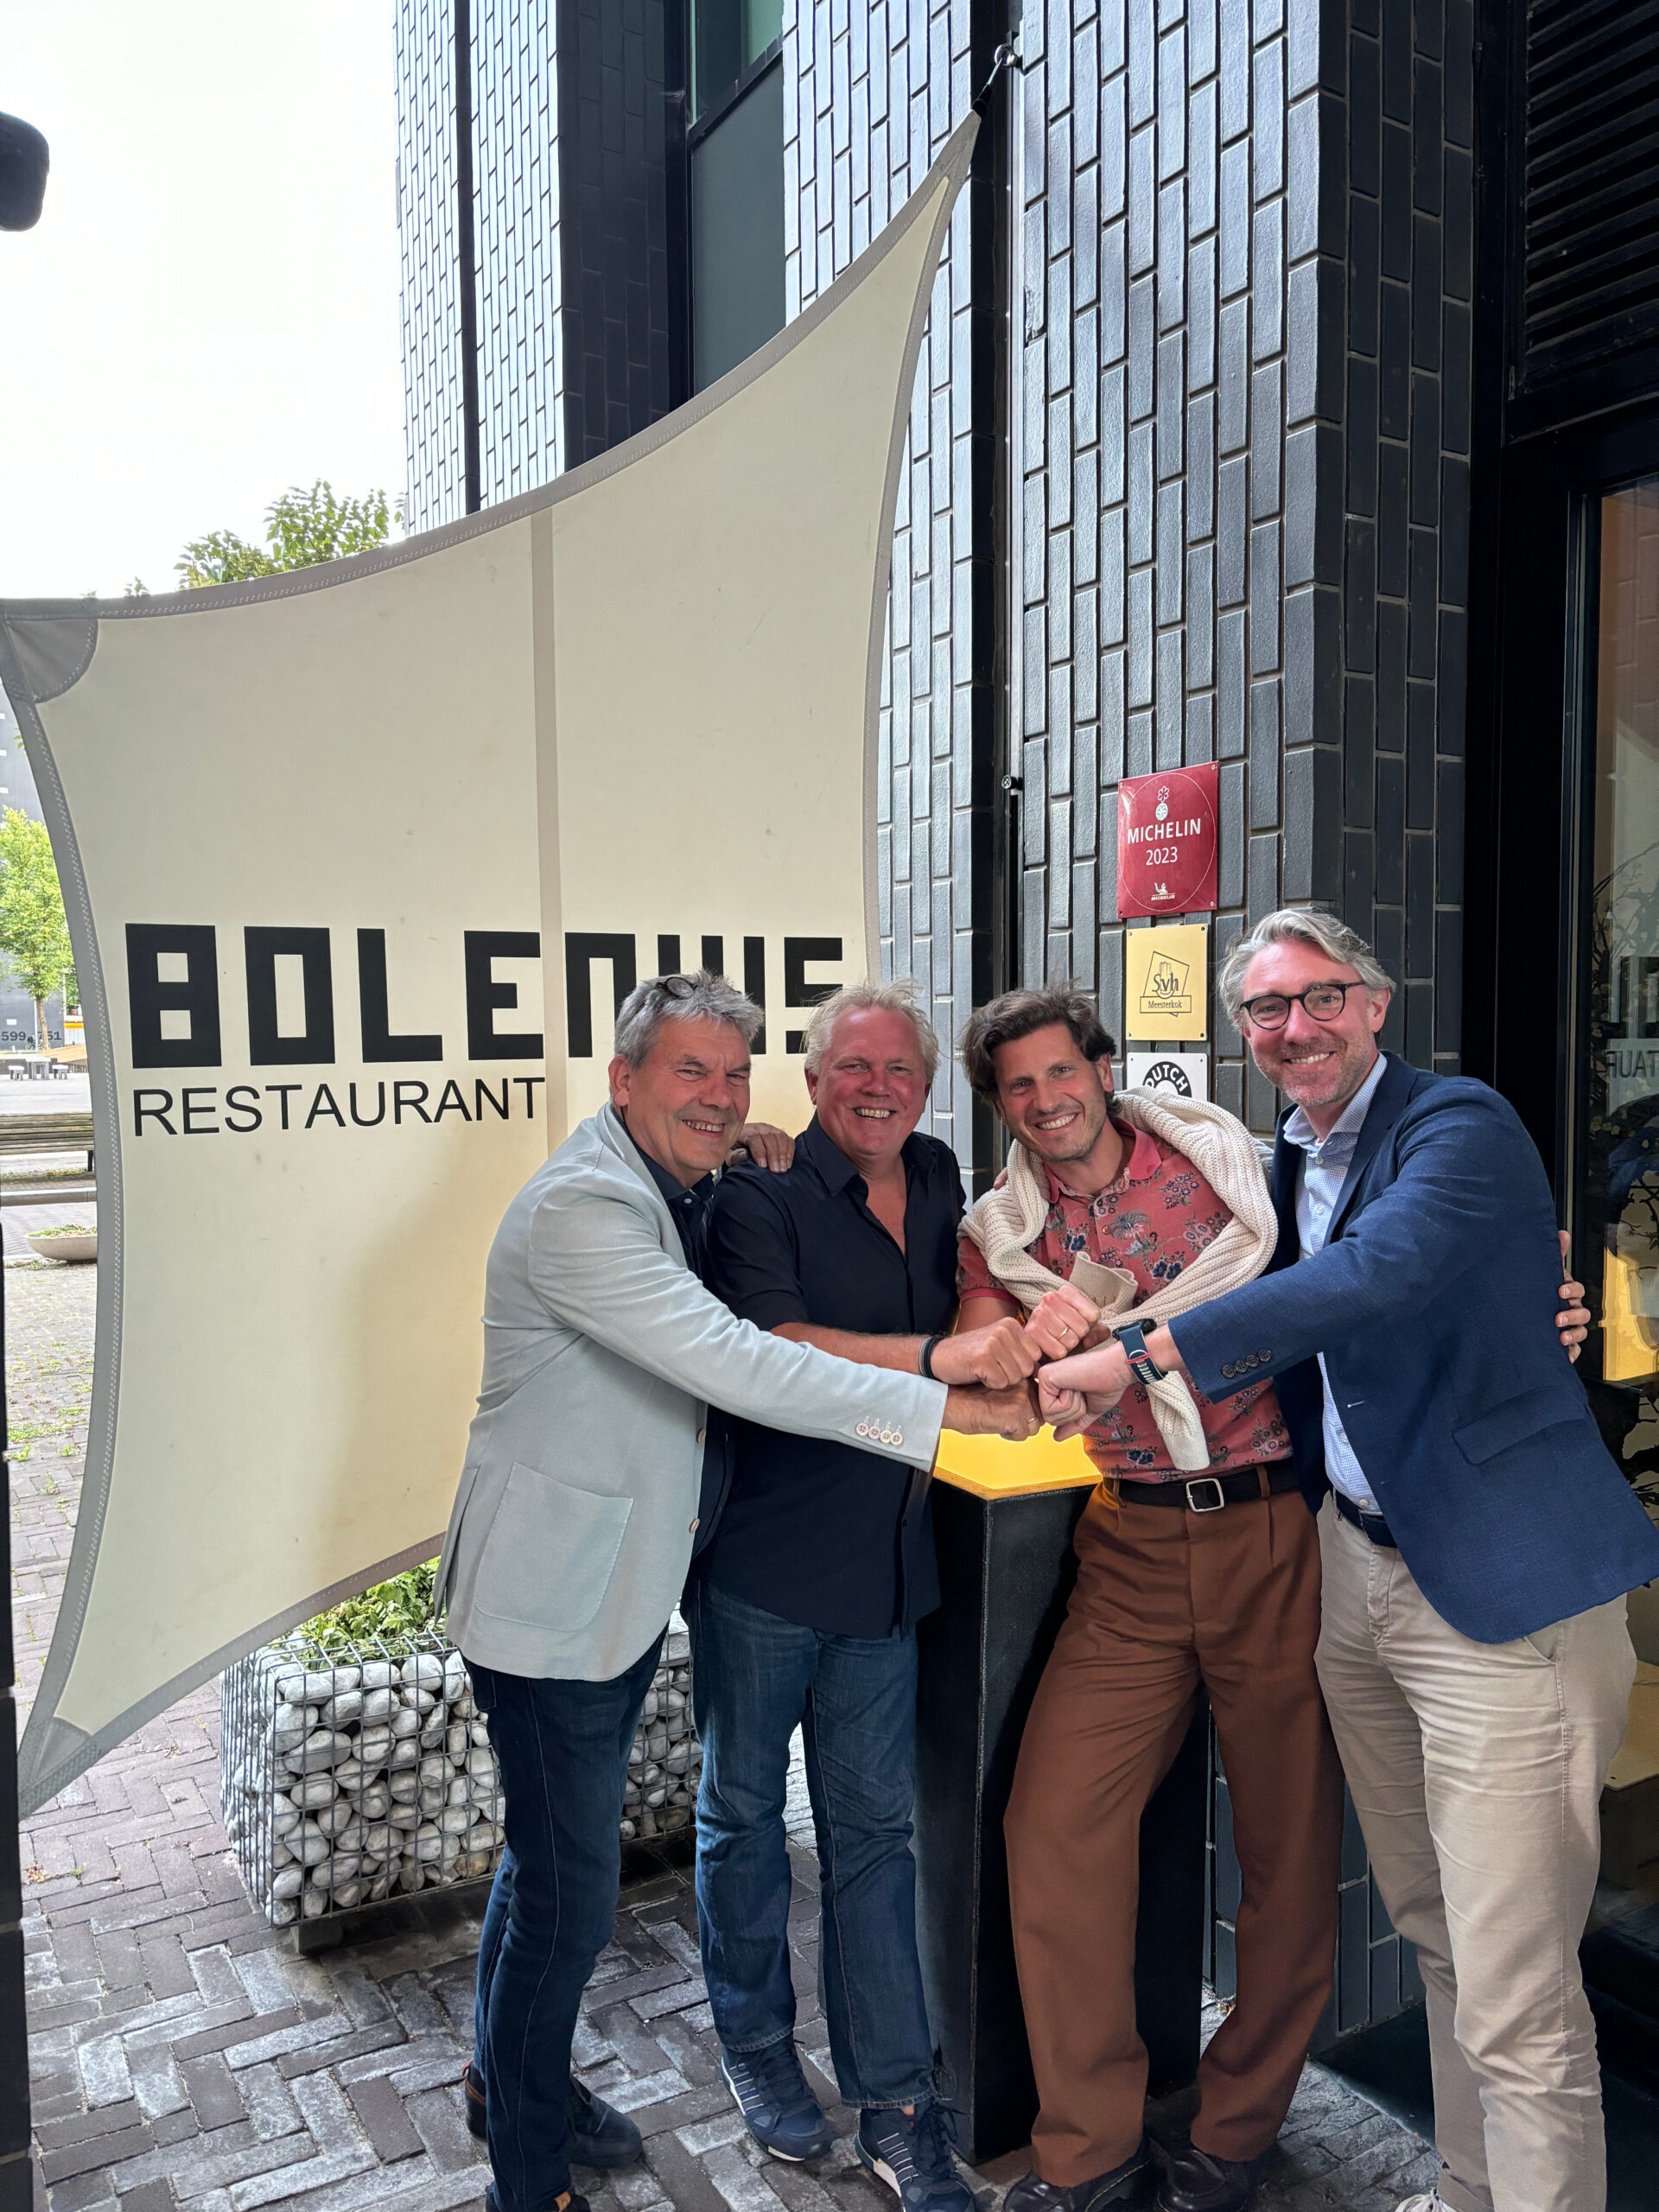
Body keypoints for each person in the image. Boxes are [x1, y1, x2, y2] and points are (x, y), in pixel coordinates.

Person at [1040, 908, 1659, 2212]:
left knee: (1517, 1990)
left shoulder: (1458, 1123)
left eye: (1321, 997)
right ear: (1244, 1033)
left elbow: (1378, 1272)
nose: (1297, 1027)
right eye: (1268, 1009)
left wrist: (1140, 1353)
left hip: (1504, 1595)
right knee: (1434, 1930)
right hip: (1358, 1580)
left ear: (1375, 1005)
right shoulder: (1276, 1168)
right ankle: (1471, 2188)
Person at [434, 970, 1038, 2212]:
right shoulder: (586, 1209)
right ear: (622, 1079)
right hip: (552, 1604)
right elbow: (737, 1358)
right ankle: (528, 2179)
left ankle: (508, 2076)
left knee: (548, 1872)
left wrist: (731, 1147)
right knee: (569, 1901)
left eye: (729, 1075)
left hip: (625, 1589)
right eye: (688, 1074)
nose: (715, 1098)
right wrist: (943, 1401)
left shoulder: (682, 1182)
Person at [691, 978, 1091, 2212]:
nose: (878, 1089)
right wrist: (939, 1370)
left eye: (900, 1071)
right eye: (854, 1068)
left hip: (888, 1572)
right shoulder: (756, 1193)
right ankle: (758, 2046)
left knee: (875, 1841)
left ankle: (898, 2107)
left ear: (924, 1088)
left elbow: (989, 1299)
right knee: (742, 1820)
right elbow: (771, 1356)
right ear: (813, 1082)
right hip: (762, 1569)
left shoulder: (937, 1180)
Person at [953, 983, 1344, 2212]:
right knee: (1052, 1829)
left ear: (1102, 1068)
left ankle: (1236, 2129)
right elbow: (991, 1368)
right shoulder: (1002, 1236)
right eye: (1018, 1086)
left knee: (1288, 1851)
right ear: (1001, 1107)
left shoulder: (1230, 1169)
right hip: (1126, 1548)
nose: (1045, 1100)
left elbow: (1334, 1287)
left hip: (1271, 1530)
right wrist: (1024, 1349)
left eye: (1060, 1072)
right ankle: (1091, 2150)